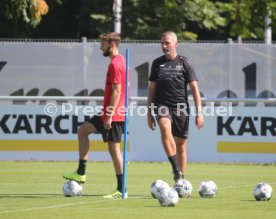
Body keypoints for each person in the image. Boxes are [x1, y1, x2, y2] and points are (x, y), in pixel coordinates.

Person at [63, 32, 127, 199]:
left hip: (114, 114)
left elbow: (117, 91)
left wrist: (109, 115)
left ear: (112, 43)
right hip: (109, 112)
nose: (101, 46)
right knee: (83, 131)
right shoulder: (116, 61)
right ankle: (81, 172)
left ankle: (122, 190)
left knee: (114, 150)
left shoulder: (116, 63)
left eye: (103, 43)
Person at [147, 31, 204, 182]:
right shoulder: (157, 63)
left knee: (181, 145)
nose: (164, 46)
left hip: (181, 108)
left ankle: (181, 181)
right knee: (164, 126)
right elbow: (151, 89)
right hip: (163, 105)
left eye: (167, 43)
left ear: (176, 44)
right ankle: (175, 169)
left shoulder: (185, 62)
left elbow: (194, 89)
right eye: (162, 43)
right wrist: (149, 113)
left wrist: (199, 112)